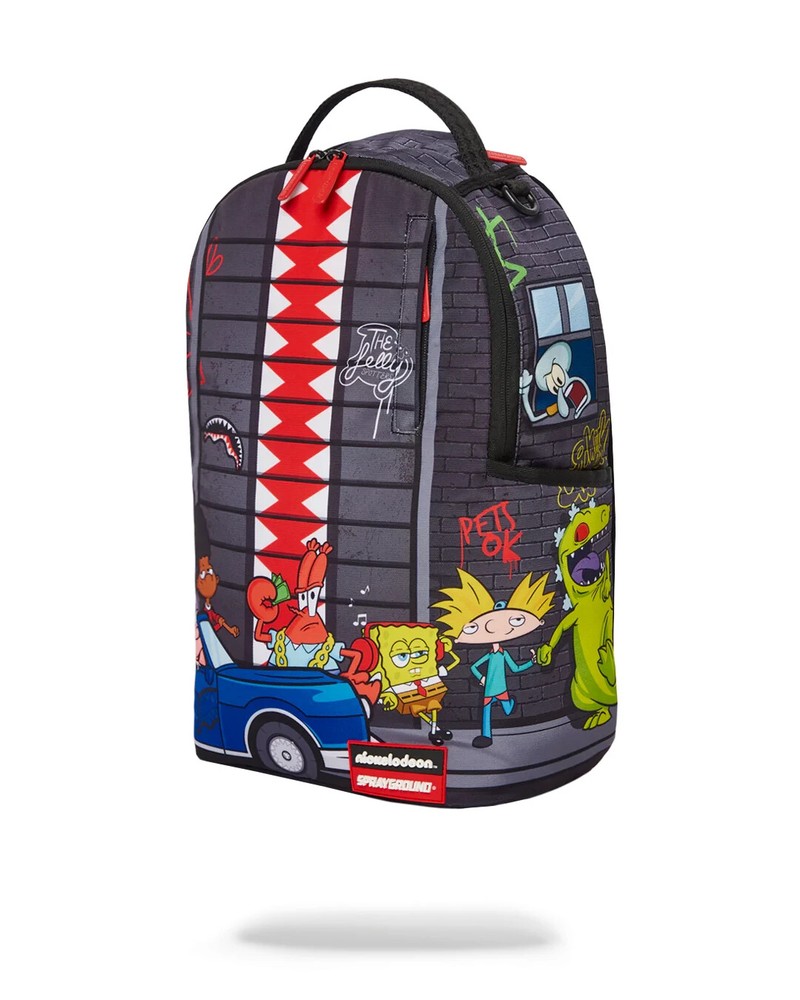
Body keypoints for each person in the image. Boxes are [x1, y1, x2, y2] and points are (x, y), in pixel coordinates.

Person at [434, 569, 554, 748]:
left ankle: (510, 704)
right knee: (486, 713)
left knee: (507, 709)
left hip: (501, 688)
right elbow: (474, 667)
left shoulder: (503, 654)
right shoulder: (489, 655)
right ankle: (486, 736)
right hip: (489, 688)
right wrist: (481, 678)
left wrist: (532, 661)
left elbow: (515, 669)